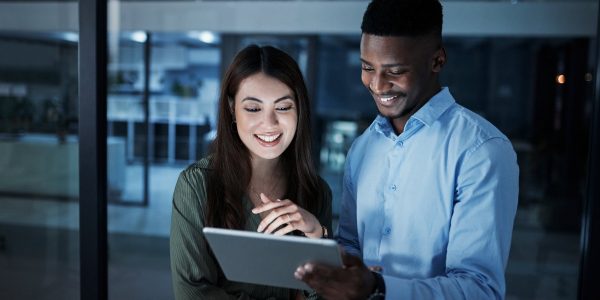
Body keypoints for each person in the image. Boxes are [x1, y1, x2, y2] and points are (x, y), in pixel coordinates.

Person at [295, 0, 519, 299]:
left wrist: (378, 288)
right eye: (367, 67)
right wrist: (317, 242)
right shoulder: (363, 148)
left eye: (395, 70)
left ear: (437, 61)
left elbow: (480, 290)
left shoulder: (481, 151)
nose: (377, 84)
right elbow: (351, 249)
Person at [170, 45, 332, 300]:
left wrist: (316, 237)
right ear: (232, 109)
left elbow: (326, 295)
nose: (269, 123)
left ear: (299, 111)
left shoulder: (316, 191)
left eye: (283, 107)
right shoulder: (198, 184)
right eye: (254, 108)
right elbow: (192, 292)